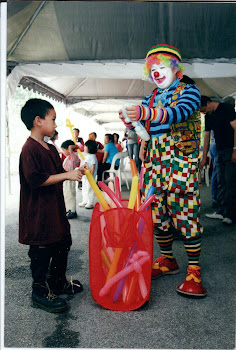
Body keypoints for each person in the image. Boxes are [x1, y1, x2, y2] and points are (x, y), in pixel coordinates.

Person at [119, 43, 206, 297]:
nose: (156, 72)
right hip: (155, 159)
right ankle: (168, 259)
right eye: (152, 68)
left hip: (179, 159)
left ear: (176, 70)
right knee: (156, 212)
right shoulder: (151, 97)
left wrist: (145, 112)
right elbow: (144, 126)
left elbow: (178, 113)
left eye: (162, 67)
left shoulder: (189, 91)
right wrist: (131, 120)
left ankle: (194, 270)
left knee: (185, 212)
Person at [19, 98, 86, 313]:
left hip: (54, 209)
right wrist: (66, 175)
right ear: (38, 121)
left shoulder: (49, 147)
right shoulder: (29, 149)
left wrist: (78, 172)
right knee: (41, 248)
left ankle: (57, 282)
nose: (56, 124)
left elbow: (59, 173)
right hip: (38, 212)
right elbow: (35, 180)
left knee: (61, 243)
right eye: (53, 119)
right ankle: (39, 290)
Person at [200, 95, 236, 225]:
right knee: (220, 181)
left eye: (204, 109)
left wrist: (235, 150)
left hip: (230, 149)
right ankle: (221, 211)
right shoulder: (208, 116)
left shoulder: (227, 108)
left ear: (209, 103)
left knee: (230, 182)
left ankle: (231, 214)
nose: (203, 113)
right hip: (219, 152)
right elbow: (206, 137)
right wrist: (204, 157)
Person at [61, 140, 80, 219]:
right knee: (67, 194)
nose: (63, 152)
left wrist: (72, 147)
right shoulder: (70, 157)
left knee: (70, 194)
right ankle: (69, 209)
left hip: (70, 177)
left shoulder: (73, 156)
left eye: (64, 150)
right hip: (67, 177)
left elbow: (71, 147)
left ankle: (72, 210)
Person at [79, 140, 98, 209]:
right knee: (84, 188)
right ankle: (85, 201)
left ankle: (90, 203)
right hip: (85, 177)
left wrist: (91, 174)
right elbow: (85, 164)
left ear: (89, 147)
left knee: (90, 190)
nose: (84, 147)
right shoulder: (88, 156)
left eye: (85, 146)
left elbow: (93, 165)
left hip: (90, 177)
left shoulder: (92, 156)